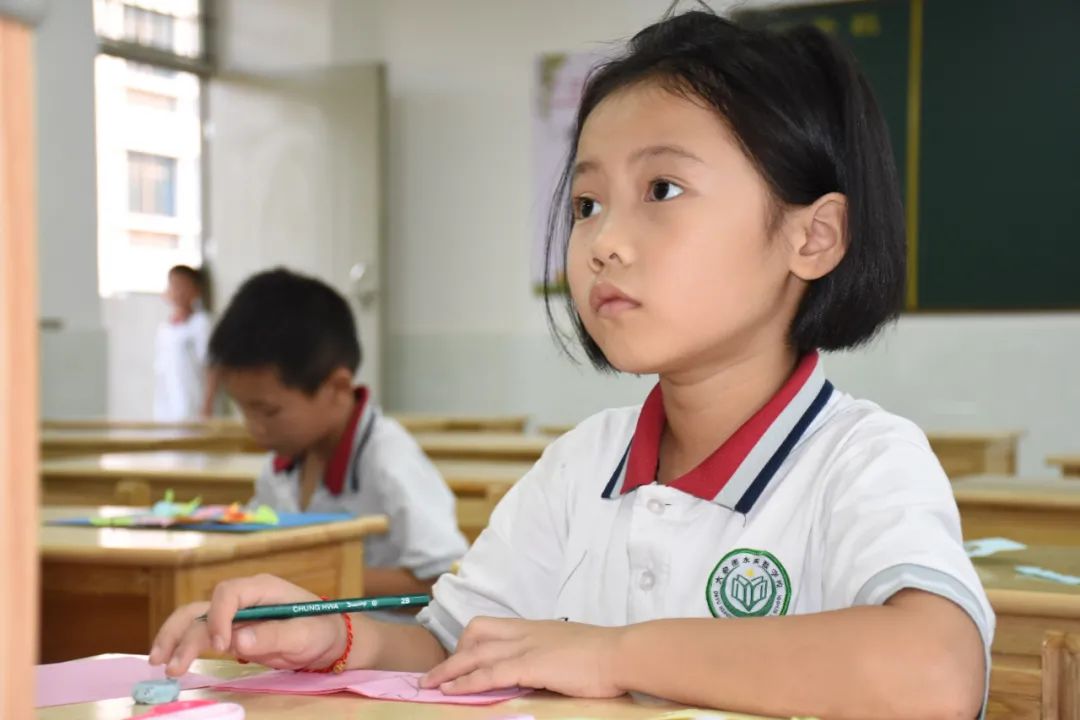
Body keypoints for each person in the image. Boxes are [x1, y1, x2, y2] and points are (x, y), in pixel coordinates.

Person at [150, 12, 990, 718]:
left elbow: (936, 674)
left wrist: (615, 654)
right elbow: (452, 650)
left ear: (813, 236)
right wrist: (334, 635)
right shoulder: (581, 467)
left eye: (662, 190)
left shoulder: (862, 462)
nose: (603, 242)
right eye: (587, 203)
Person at [200, 268, 467, 601]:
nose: (254, 427)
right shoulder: (284, 462)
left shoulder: (389, 459)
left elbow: (444, 580)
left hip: (379, 632)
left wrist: (314, 578)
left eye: (268, 411)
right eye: (243, 410)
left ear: (338, 388)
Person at [153, 265, 214, 422]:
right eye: (173, 285)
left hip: (193, 408)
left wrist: (207, 406)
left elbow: (212, 367)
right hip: (166, 411)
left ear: (196, 290)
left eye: (182, 285)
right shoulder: (164, 329)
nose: (177, 291)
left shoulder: (201, 324)